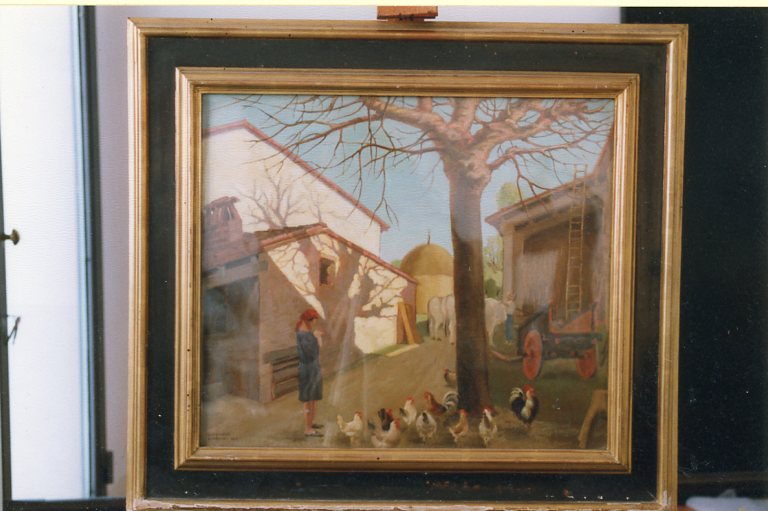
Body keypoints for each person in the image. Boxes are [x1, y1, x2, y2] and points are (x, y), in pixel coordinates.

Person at [295, 308, 324, 437]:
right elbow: (313, 353)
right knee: (308, 399)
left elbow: (316, 351)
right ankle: (308, 429)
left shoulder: (307, 333)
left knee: (313, 397)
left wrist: (316, 337)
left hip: (313, 368)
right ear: (308, 321)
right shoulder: (303, 335)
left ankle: (311, 422)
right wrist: (317, 337)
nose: (314, 324)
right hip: (307, 369)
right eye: (313, 321)